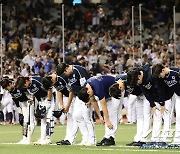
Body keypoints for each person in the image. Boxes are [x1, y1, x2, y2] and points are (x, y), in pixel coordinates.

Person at [56, 63, 103, 146]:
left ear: (66, 69)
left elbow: (88, 85)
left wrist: (89, 99)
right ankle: (85, 138)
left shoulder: (79, 70)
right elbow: (71, 89)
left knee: (87, 117)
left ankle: (92, 139)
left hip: (86, 96)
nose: (64, 75)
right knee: (76, 116)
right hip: (78, 96)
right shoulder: (68, 75)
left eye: (64, 73)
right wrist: (67, 105)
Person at [127, 64, 174, 143]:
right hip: (156, 96)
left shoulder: (151, 75)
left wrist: (162, 103)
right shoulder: (139, 76)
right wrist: (152, 104)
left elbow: (161, 88)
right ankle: (155, 138)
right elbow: (146, 92)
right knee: (157, 116)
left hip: (168, 92)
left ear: (139, 76)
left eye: (137, 82)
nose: (137, 84)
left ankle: (166, 137)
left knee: (166, 115)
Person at [78, 75, 123, 146]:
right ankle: (107, 136)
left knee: (113, 113)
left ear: (89, 92)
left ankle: (111, 138)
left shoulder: (97, 87)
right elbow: (93, 101)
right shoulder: (86, 87)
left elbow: (103, 105)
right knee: (108, 114)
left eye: (89, 97)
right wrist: (100, 116)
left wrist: (107, 121)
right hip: (108, 92)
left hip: (117, 88)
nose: (90, 98)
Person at [110, 73, 152, 146]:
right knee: (139, 118)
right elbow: (117, 78)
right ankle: (137, 139)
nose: (122, 92)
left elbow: (125, 76)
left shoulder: (126, 79)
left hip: (147, 95)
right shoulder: (120, 83)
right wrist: (119, 81)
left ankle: (143, 139)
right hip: (139, 96)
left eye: (121, 91)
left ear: (120, 87)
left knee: (147, 116)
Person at [16, 76, 55, 145]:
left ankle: (48, 138)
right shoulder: (28, 86)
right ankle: (43, 138)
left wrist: (48, 101)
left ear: (27, 80)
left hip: (50, 98)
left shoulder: (38, 80)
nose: (24, 87)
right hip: (41, 100)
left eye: (24, 85)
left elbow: (50, 89)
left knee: (49, 118)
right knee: (42, 119)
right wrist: (32, 98)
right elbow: (34, 92)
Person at [41, 74, 74, 145]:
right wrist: (61, 104)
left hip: (75, 97)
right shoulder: (54, 81)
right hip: (68, 97)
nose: (52, 86)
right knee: (70, 118)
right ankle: (68, 138)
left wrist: (67, 105)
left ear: (52, 80)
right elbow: (59, 91)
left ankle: (75, 139)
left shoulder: (63, 78)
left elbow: (72, 91)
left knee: (77, 118)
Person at [0, 78, 35, 144]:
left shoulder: (19, 85)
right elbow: (15, 99)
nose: (6, 90)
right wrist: (19, 108)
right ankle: (25, 138)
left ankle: (29, 138)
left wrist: (31, 97)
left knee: (31, 120)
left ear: (10, 84)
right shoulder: (11, 90)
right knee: (25, 120)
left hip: (30, 102)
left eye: (6, 87)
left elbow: (30, 90)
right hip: (22, 103)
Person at [152, 63, 180, 144]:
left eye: (160, 75)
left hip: (178, 94)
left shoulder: (176, 72)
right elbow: (161, 90)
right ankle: (174, 139)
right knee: (176, 116)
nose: (159, 77)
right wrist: (162, 103)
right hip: (174, 95)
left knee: (178, 116)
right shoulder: (160, 78)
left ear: (163, 70)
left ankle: (177, 139)